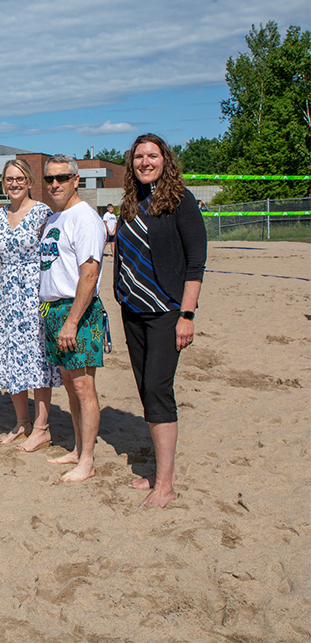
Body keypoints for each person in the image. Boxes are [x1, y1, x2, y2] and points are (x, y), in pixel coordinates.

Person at [114, 134, 207, 508]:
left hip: (168, 311)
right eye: (139, 156)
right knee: (144, 388)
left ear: (165, 160)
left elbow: (195, 264)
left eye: (152, 155)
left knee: (157, 388)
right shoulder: (131, 203)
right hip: (133, 310)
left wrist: (187, 314)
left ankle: (165, 485)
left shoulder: (181, 201)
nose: (145, 162)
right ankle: (157, 473)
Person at [38, 154, 107, 482]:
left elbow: (89, 274)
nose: (55, 184)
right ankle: (79, 449)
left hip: (75, 311)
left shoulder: (85, 218)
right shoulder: (56, 218)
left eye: (62, 178)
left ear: (76, 180)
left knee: (83, 387)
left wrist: (72, 321)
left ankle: (88, 461)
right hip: (54, 311)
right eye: (50, 179)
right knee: (70, 384)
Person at [0, 159, 61, 451]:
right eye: (8, 179)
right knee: (10, 355)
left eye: (19, 179)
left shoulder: (43, 213)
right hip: (5, 293)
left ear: (29, 181)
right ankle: (22, 422)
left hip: (33, 290)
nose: (14, 184)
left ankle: (42, 427)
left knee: (36, 358)